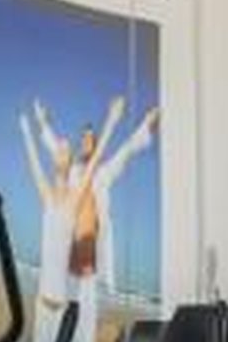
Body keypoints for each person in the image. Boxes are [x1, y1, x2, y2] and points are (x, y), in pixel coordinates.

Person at [19, 94, 160, 292]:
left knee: (86, 298)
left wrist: (148, 123)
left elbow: (127, 149)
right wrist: (42, 122)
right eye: (83, 138)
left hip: (89, 259)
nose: (86, 141)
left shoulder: (104, 172)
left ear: (96, 146)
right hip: (66, 256)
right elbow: (55, 148)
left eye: (91, 139)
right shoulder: (71, 170)